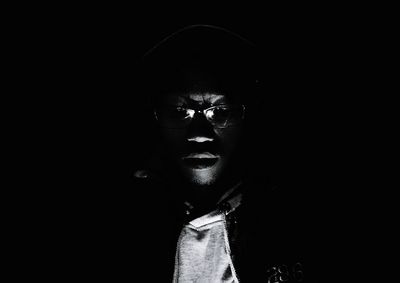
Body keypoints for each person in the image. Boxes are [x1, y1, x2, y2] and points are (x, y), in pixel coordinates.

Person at [126, 25, 311, 282]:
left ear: (248, 117)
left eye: (221, 111)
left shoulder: (294, 223)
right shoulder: (127, 225)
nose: (199, 133)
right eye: (180, 112)